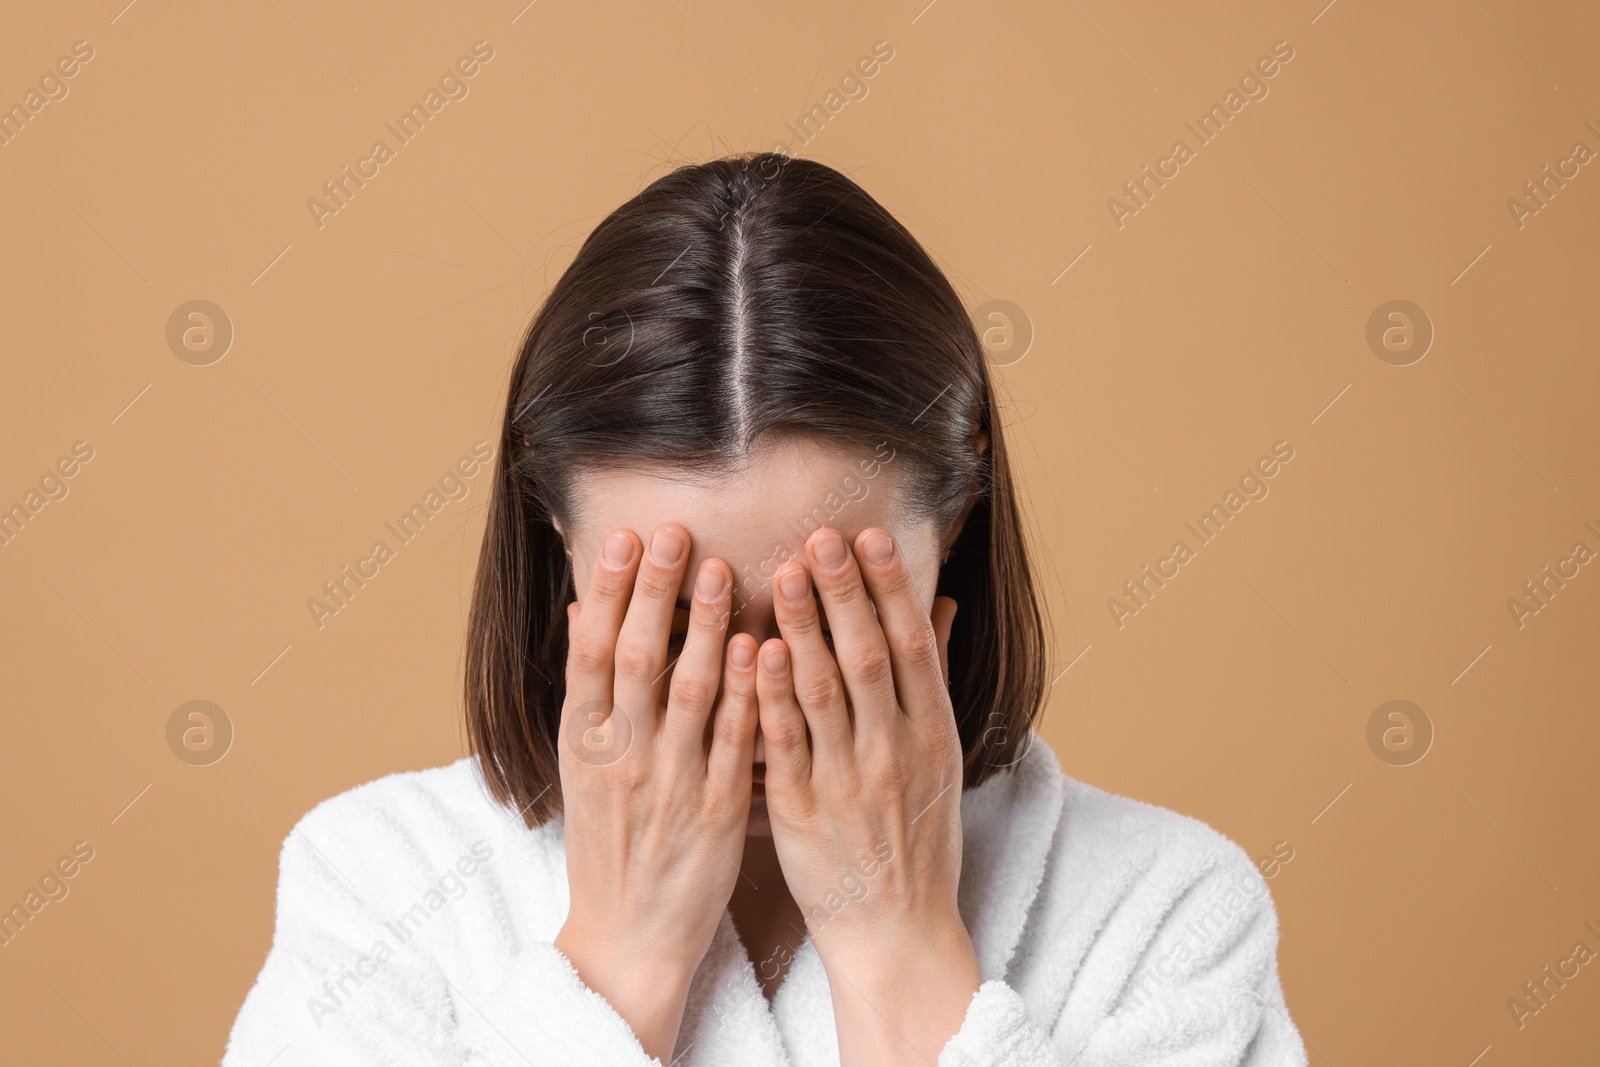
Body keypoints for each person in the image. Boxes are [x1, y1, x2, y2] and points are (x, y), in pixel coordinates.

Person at [222, 151, 1307, 1066]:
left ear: (959, 522)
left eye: (821, 627)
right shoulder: (379, 883)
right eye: (676, 625)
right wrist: (618, 960)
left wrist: (900, 956)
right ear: (558, 539)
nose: (743, 701)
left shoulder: (1165, 908)